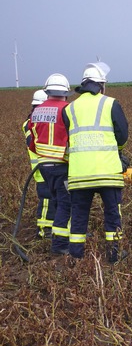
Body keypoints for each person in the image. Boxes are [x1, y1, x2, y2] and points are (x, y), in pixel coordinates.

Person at [64, 62, 129, 263]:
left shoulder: (69, 109)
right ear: (101, 85)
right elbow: (122, 134)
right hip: (107, 171)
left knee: (79, 217)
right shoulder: (110, 103)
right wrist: (117, 151)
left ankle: (76, 256)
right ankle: (114, 254)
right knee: (112, 214)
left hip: (79, 174)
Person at [28, 74, 72, 254]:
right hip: (63, 165)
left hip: (44, 166)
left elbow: (32, 141)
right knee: (66, 203)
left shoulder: (36, 111)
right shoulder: (69, 109)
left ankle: (62, 236)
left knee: (56, 201)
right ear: (66, 92)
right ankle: (60, 245)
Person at [23, 89, 55, 239]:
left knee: (55, 199)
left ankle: (53, 228)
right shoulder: (29, 124)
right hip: (41, 170)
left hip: (50, 168)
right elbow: (32, 143)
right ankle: (43, 230)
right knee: (47, 199)